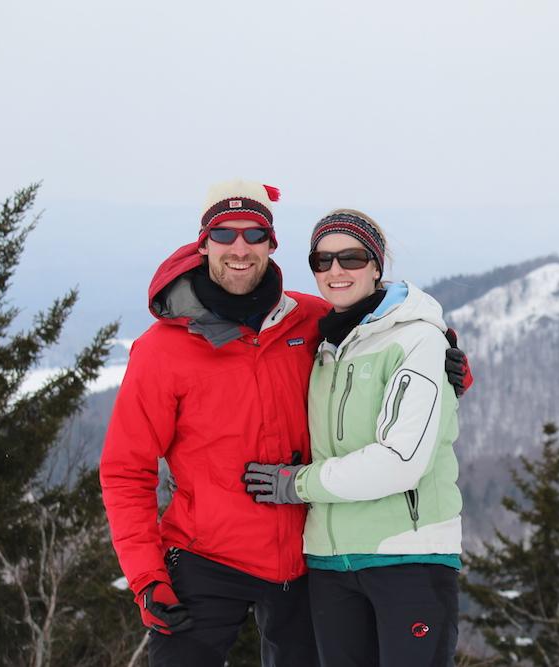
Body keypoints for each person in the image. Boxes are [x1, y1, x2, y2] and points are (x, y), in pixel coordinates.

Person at [99, 183, 470, 666]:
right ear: (203, 242)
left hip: (305, 562)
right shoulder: (163, 350)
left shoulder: (309, 319)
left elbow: (390, 344)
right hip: (205, 557)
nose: (239, 247)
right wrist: (147, 576)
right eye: (224, 233)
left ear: (271, 244)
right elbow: (127, 470)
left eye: (254, 233)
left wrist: (455, 367)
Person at [243, 209, 463, 666]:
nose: (336, 271)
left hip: (408, 557)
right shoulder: (326, 347)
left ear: (377, 266)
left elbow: (400, 460)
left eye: (351, 257)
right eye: (322, 261)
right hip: (329, 562)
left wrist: (296, 484)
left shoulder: (417, 339)